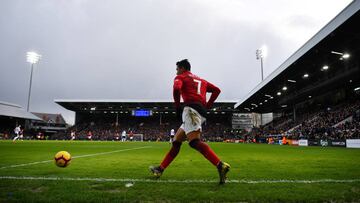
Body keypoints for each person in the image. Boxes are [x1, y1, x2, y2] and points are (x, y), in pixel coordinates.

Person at [150, 59, 230, 184]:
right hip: (200, 112)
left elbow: (177, 89)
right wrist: (207, 106)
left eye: (177, 69)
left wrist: (177, 107)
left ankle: (220, 165)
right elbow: (217, 90)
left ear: (182, 68)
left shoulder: (180, 77)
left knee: (194, 142)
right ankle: (160, 169)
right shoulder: (201, 80)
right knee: (176, 141)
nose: (176, 72)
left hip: (190, 110)